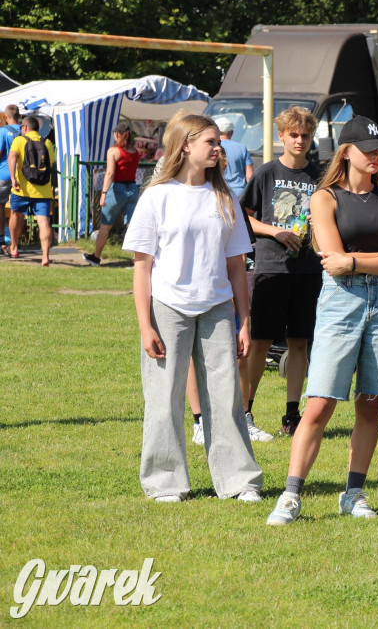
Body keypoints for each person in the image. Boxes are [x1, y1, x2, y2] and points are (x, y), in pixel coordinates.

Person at [266, 115, 378, 526]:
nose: (375, 156)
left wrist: (352, 259)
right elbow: (330, 263)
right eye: (367, 149)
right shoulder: (324, 197)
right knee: (320, 403)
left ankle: (354, 492)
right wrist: (359, 262)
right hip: (340, 302)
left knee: (371, 403)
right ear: (346, 152)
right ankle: (291, 495)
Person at [122, 114, 263, 503]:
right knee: (164, 396)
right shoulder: (157, 195)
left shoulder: (224, 197)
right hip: (168, 307)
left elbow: (237, 267)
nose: (219, 149)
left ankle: (239, 481)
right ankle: (165, 482)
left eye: (218, 143)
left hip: (217, 307)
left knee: (226, 395)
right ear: (186, 145)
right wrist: (145, 325)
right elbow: (142, 267)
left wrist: (244, 322)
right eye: (211, 142)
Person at [240, 107, 322, 440]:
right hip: (271, 267)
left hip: (308, 268)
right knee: (259, 342)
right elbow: (245, 217)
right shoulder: (266, 173)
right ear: (281, 137)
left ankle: (292, 414)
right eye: (293, 135)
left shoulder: (319, 176)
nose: (299, 141)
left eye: (305, 135)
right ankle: (245, 411)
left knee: (299, 343)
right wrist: (275, 232)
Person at [83, 122, 141, 266]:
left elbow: (110, 173)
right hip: (132, 189)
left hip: (117, 190)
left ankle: (96, 257)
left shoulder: (113, 151)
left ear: (117, 135)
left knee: (105, 226)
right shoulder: (135, 151)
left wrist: (103, 193)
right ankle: (138, 259)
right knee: (132, 225)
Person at [7, 116, 56, 265]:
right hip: (43, 191)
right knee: (43, 221)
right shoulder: (47, 143)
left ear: (25, 128)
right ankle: (45, 256)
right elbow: (51, 163)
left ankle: (14, 247)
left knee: (16, 215)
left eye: (22, 127)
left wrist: (13, 179)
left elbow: (12, 156)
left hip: (21, 189)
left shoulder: (19, 141)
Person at [213, 116, 254, 199]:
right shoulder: (241, 148)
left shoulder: (213, 148)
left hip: (219, 191)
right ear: (231, 132)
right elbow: (249, 176)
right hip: (239, 193)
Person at [0, 105, 21, 255]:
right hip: (22, 176)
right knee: (18, 209)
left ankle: (1, 240)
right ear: (19, 116)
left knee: (0, 206)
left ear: (6, 117)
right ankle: (15, 242)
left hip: (4, 175)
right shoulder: (26, 130)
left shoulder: (2, 132)